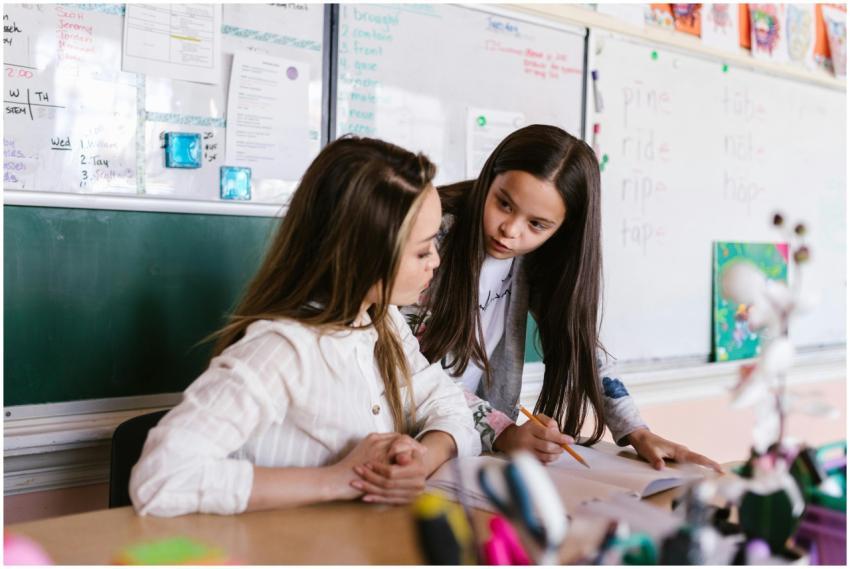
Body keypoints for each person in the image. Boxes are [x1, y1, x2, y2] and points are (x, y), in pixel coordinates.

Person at [130, 136, 480, 517]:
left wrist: (420, 459)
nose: (436, 261)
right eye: (422, 250)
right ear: (365, 254)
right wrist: (340, 479)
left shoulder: (383, 322)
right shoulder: (282, 348)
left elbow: (449, 404)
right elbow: (159, 477)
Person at [408, 124, 721, 472]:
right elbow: (410, 367)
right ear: (489, 177)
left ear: (562, 230)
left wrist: (635, 431)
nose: (510, 230)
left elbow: (578, 343)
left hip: (464, 445)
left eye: (537, 224)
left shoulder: (535, 259)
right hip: (408, 435)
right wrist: (504, 432)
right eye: (504, 204)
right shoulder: (430, 240)